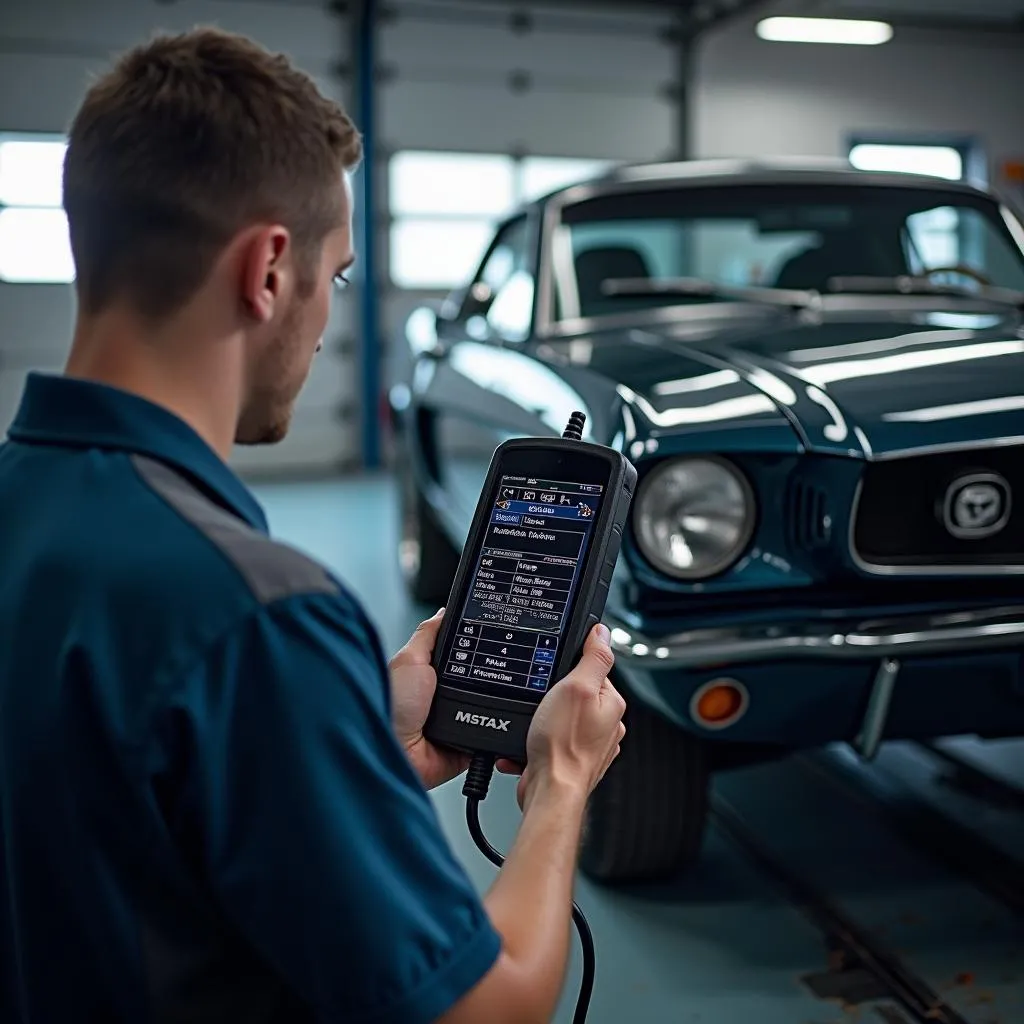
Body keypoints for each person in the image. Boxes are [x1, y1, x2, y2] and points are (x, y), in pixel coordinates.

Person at [0, 27, 627, 1024]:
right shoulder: (252, 614)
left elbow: (102, 803)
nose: (330, 322)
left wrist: (352, 734)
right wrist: (561, 781)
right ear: (267, 269)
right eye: (334, 279)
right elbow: (488, 1008)